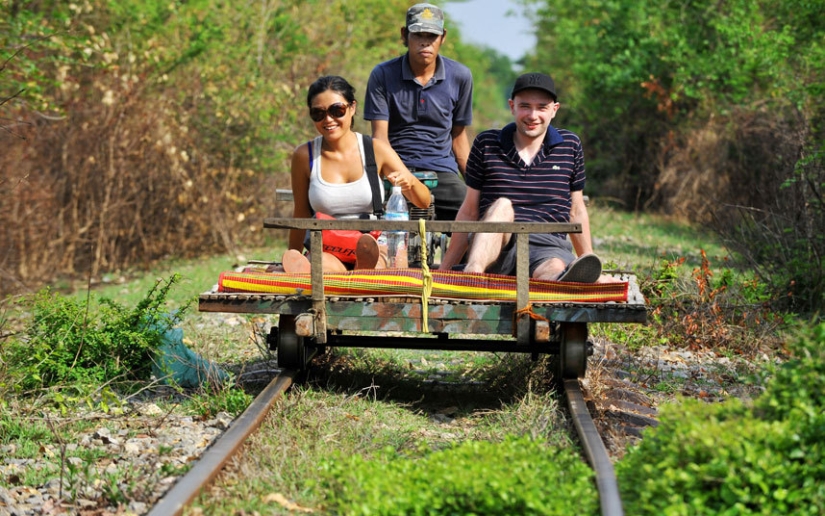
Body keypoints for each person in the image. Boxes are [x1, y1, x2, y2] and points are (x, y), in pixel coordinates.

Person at [439, 72, 615, 283]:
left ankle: (561, 279)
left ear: (554, 110)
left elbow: (576, 210)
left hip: (547, 245)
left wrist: (590, 261)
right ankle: (473, 275)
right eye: (525, 106)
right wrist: (444, 270)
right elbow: (469, 210)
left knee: (554, 266)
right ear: (512, 106)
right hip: (494, 244)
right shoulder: (486, 143)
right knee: (502, 205)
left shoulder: (570, 145)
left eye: (541, 107)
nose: (533, 115)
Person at [282, 75, 431, 273]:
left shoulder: (376, 149)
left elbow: (424, 202)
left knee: (374, 259)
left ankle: (361, 270)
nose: (328, 119)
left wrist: (410, 183)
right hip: (330, 246)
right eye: (318, 113)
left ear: (352, 108)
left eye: (337, 110)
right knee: (321, 265)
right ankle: (333, 272)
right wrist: (293, 252)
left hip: (374, 242)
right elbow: (301, 213)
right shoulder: (304, 156)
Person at [363, 2, 473, 222]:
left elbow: (459, 139)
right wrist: (397, 175)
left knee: (477, 215)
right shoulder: (383, 75)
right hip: (396, 170)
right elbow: (380, 139)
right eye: (418, 35)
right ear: (405, 35)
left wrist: (476, 188)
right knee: (364, 216)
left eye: (432, 36)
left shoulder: (460, 76)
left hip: (441, 172)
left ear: (442, 37)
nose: (425, 42)